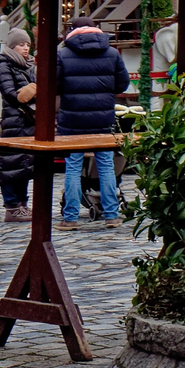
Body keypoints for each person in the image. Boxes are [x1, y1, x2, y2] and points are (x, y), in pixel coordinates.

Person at [55, 15, 130, 228]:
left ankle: (70, 218)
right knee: (106, 166)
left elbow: (56, 86)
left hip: (72, 120)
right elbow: (122, 84)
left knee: (73, 167)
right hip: (103, 119)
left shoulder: (63, 54)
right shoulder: (113, 53)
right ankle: (111, 215)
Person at [0, 28, 37, 223]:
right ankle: (12, 206)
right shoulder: (3, 63)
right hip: (13, 118)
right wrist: (31, 89)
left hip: (28, 119)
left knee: (24, 163)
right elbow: (10, 93)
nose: (25, 48)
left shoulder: (28, 65)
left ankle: (22, 204)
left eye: (27, 44)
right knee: (10, 163)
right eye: (21, 44)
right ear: (12, 46)